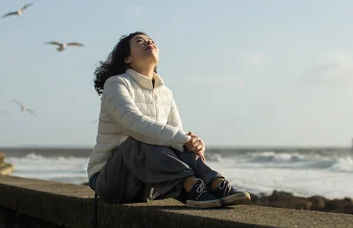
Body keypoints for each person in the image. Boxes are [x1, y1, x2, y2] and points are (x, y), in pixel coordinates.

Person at [87, 32, 251, 208]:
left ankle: (215, 183)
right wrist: (183, 139)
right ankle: (191, 187)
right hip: (112, 181)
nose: (149, 42)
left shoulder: (165, 92)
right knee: (138, 139)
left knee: (179, 144)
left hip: (150, 183)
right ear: (127, 58)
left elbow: (176, 138)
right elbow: (133, 123)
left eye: (151, 40)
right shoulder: (116, 83)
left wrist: (193, 144)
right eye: (140, 41)